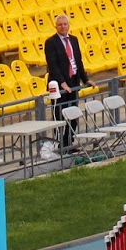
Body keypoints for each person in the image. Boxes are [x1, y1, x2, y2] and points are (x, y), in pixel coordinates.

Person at [42, 12, 87, 149]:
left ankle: (69, 142)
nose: (63, 27)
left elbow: (78, 61)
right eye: (60, 25)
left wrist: (85, 80)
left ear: (69, 25)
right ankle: (60, 144)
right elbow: (52, 65)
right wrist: (62, 83)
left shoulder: (74, 40)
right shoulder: (51, 42)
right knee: (60, 115)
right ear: (55, 27)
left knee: (72, 114)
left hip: (73, 82)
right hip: (59, 85)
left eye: (65, 24)